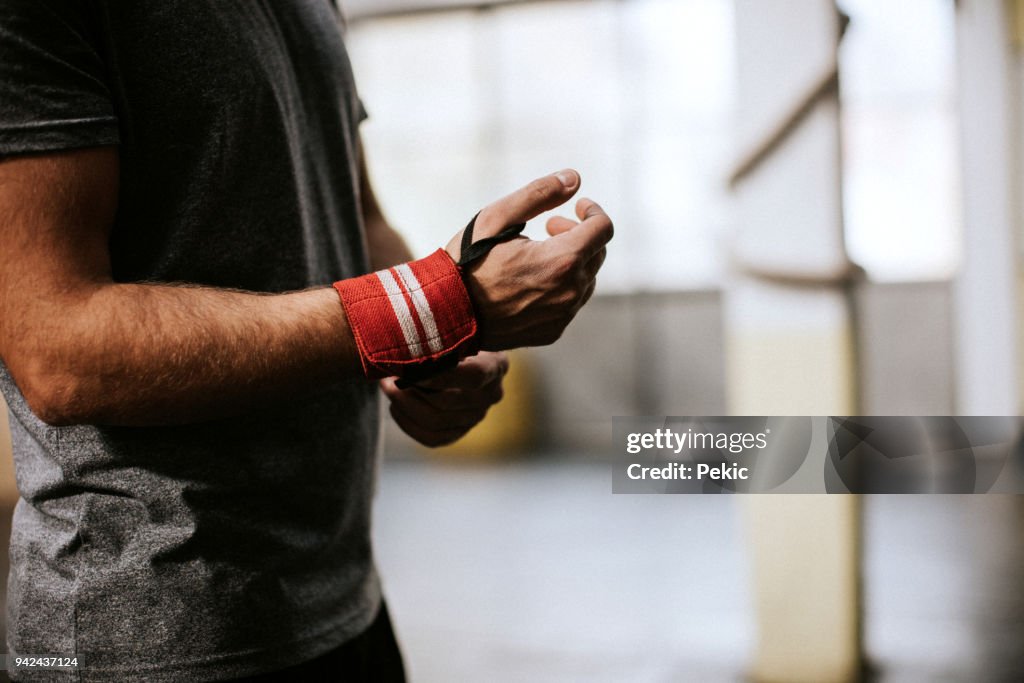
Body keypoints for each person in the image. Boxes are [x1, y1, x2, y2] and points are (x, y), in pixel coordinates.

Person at [0, 2, 612, 682]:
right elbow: (56, 350)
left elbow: (360, 218)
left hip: (344, 601)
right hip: (146, 639)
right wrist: (435, 305)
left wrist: (433, 358)